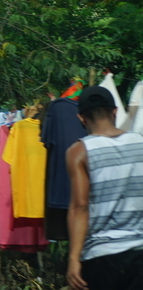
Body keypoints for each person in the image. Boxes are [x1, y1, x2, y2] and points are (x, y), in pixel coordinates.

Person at [66, 85, 143, 290]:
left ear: (82, 118)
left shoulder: (79, 151)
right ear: (115, 111)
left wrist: (74, 258)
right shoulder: (140, 143)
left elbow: (80, 208)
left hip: (101, 257)